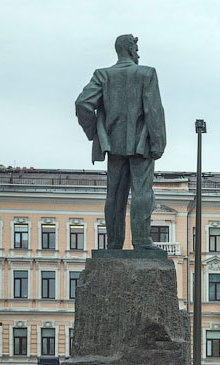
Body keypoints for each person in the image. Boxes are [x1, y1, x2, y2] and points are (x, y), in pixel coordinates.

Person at [75, 34, 166, 252]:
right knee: (142, 192)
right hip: (141, 145)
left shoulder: (103, 75)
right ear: (130, 50)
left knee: (114, 195)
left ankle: (114, 242)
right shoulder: (146, 73)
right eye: (136, 48)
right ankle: (142, 241)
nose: (138, 53)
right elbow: (154, 111)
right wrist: (158, 142)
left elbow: (83, 104)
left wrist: (96, 133)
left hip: (113, 144)